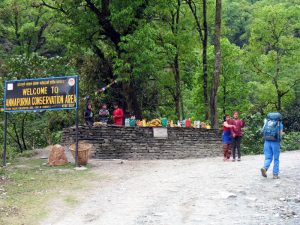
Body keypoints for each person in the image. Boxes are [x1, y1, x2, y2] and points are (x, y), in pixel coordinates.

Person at [260, 112, 284, 179]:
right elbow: (280, 134)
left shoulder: (267, 122)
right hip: (275, 142)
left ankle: (265, 167)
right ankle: (275, 174)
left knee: (268, 157)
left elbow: (263, 131)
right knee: (276, 159)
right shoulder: (279, 124)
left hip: (267, 141)